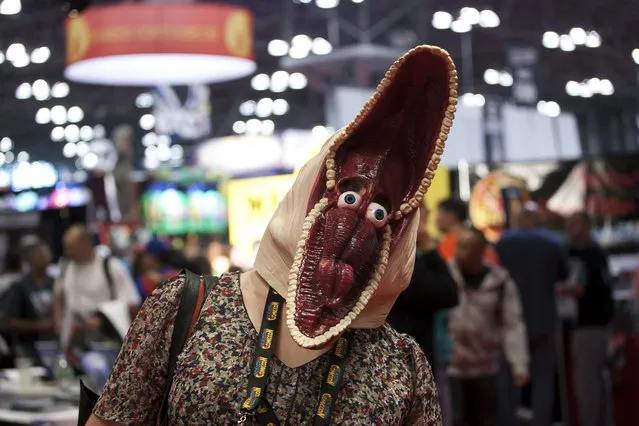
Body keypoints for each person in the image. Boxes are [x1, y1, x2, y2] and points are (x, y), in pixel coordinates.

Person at [87, 45, 459, 425]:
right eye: (348, 195)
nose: (356, 225)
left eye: (380, 211)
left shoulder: (401, 365)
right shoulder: (184, 309)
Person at [495, 204, 569, 426]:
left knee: (509, 377)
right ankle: (542, 421)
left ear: (519, 220)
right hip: (544, 319)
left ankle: (509, 420)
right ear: (538, 220)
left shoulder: (503, 243)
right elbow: (563, 276)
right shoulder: (554, 242)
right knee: (543, 377)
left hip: (511, 321)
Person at [447, 228, 529, 426]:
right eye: (459, 246)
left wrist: (519, 365)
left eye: (467, 247)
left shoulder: (499, 281)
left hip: (486, 368)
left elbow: (512, 324)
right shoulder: (445, 276)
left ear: (481, 250)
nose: (459, 252)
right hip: (451, 369)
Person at [387, 203, 458, 426]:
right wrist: (428, 248)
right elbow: (448, 293)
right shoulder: (402, 258)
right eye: (424, 211)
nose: (429, 216)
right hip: (408, 358)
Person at [52, 225, 140, 355]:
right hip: (75, 340)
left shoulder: (111, 267)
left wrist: (102, 318)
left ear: (86, 243)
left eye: (71, 247)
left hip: (106, 340)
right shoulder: (66, 268)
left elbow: (132, 302)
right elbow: (57, 296)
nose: (67, 252)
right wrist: (58, 321)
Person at [562, 212, 614, 426]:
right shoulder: (578, 252)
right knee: (595, 381)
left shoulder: (591, 255)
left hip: (591, 325)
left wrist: (557, 289)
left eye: (574, 224)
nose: (569, 229)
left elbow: (582, 288)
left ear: (586, 226)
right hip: (592, 324)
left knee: (588, 383)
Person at [0, 242, 54, 366]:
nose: (45, 258)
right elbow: (7, 322)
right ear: (30, 260)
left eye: (47, 255)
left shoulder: (54, 284)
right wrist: (41, 326)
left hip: (53, 346)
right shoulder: (19, 287)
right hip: (27, 348)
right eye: (41, 255)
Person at [436, 197, 499, 263]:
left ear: (451, 216)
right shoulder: (478, 240)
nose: (436, 219)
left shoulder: (448, 246)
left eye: (439, 213)